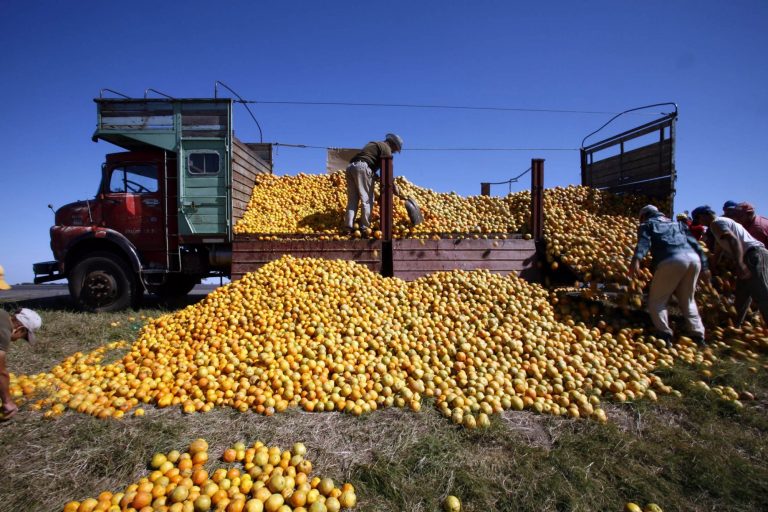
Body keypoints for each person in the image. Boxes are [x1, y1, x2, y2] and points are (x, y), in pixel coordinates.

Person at [629, 205, 708, 346]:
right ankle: (698, 337)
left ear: (644, 216)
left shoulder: (647, 224)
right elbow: (695, 244)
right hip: (693, 259)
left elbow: (644, 242)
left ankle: (664, 335)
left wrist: (636, 259)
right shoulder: (678, 224)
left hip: (672, 260)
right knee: (688, 300)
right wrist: (705, 267)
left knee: (657, 300)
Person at [692, 205, 768, 326]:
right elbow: (719, 249)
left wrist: (740, 263)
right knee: (741, 296)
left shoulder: (717, 223)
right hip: (749, 256)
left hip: (753, 255)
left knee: (762, 293)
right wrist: (713, 265)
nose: (701, 223)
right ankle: (734, 328)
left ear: (704, 215)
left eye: (699, 219)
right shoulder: (721, 223)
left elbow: (733, 240)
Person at [344, 133, 403, 234]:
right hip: (363, 168)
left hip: (351, 168)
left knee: (353, 200)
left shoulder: (375, 144)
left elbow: (368, 160)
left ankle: (348, 227)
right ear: (392, 144)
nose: (393, 152)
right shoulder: (386, 148)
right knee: (367, 199)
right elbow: (387, 167)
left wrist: (374, 175)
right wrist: (393, 186)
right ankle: (364, 227)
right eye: (395, 149)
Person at [1, 308, 41, 420]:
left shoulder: (3, 314)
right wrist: (7, 401)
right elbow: (1, 372)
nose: (17, 340)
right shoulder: (3, 332)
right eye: (23, 337)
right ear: (20, 329)